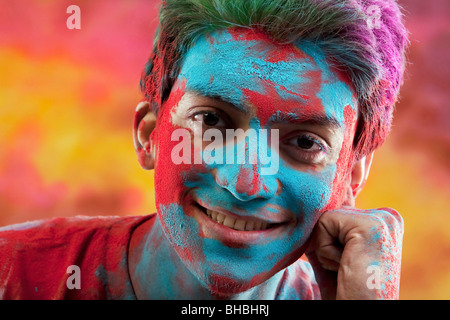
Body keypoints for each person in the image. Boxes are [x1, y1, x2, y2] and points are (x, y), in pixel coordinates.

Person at [0, 0, 408, 300]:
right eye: (211, 121)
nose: (246, 184)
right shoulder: (12, 273)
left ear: (352, 175)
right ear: (148, 134)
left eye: (305, 142)